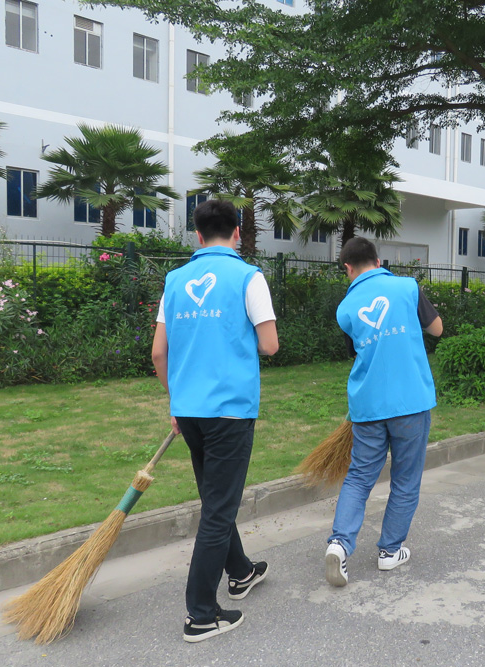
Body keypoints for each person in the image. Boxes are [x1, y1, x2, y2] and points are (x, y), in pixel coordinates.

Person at [151, 200, 279, 643]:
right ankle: (201, 614)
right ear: (238, 232)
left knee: (215, 499)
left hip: (189, 410)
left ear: (198, 235)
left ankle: (241, 572)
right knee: (219, 510)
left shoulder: (174, 280)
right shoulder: (248, 276)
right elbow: (269, 344)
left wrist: (175, 402)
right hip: (229, 410)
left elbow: (159, 353)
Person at [324, 237, 443, 588]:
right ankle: (390, 551)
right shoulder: (407, 287)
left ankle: (339, 544)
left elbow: (356, 352)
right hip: (410, 401)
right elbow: (437, 328)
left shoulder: (345, 308)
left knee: (359, 477)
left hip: (368, 405)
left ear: (348, 268)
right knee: (405, 478)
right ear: (379, 261)